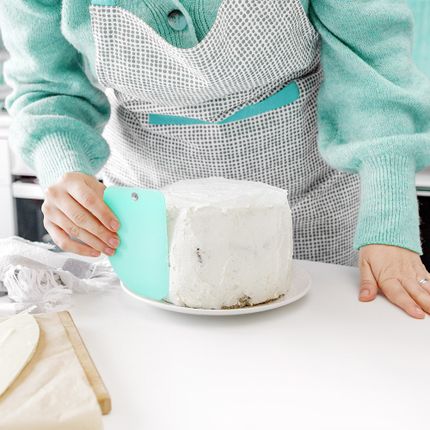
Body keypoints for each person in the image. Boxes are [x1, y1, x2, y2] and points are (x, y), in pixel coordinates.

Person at [1, 0, 430, 319]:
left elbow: (373, 63)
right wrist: (65, 171)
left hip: (313, 211)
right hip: (151, 227)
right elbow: (47, 89)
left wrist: (388, 220)